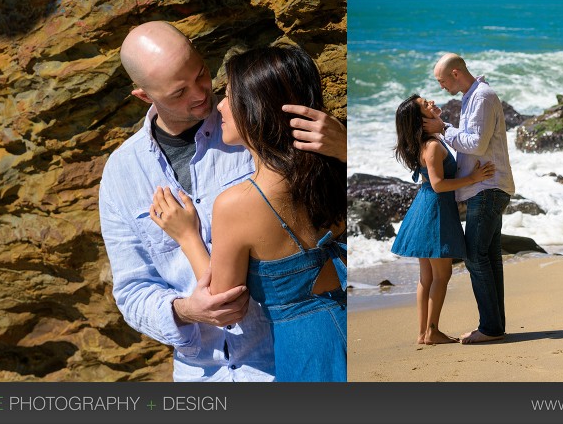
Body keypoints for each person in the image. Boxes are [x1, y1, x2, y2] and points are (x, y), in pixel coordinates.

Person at [99, 21, 346, 381]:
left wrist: (345, 148)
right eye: (178, 92)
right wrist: (185, 310)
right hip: (200, 375)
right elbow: (131, 290)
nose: (201, 95)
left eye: (201, 74)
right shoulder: (122, 174)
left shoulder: (253, 127)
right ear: (144, 96)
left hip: (280, 363)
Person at [423, 53, 515, 345]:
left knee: (476, 256)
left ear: (455, 73)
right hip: (486, 186)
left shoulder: (482, 97)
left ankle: (490, 327)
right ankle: (494, 326)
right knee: (488, 257)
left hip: (487, 188)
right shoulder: (473, 97)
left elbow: (475, 143)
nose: (440, 88)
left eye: (441, 81)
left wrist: (443, 129)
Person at [392, 95, 495, 345]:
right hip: (436, 211)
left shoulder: (423, 143)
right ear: (421, 120)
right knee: (442, 275)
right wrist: (474, 178)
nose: (432, 103)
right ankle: (433, 331)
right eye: (425, 105)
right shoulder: (434, 146)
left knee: (426, 277)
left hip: (423, 209)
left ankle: (423, 333)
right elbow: (439, 185)